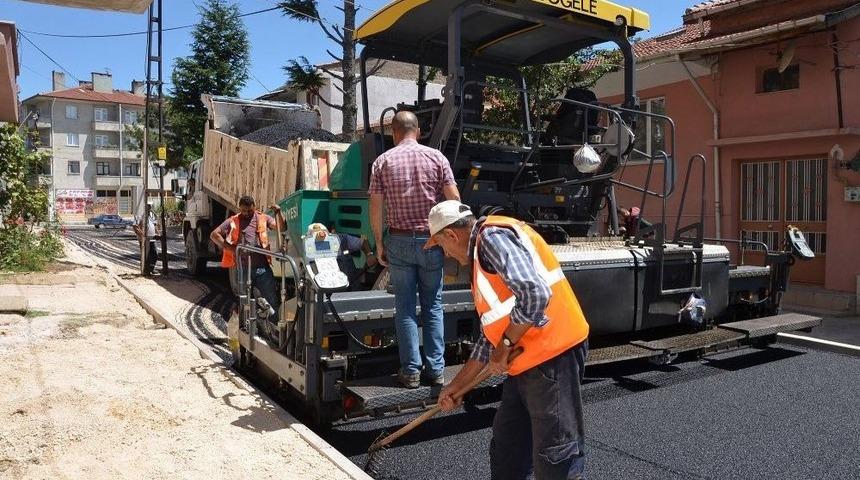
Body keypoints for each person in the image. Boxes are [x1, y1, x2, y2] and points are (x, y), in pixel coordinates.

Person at [425, 200, 590, 480]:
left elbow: (535, 294)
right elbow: (489, 336)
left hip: (552, 356)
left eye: (442, 245)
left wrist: (505, 347)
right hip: (524, 361)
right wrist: (457, 386)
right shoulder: (481, 257)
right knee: (508, 449)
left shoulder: (492, 238)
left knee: (555, 454)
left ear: (451, 235)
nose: (447, 254)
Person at [369, 110, 461, 388]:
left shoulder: (382, 161)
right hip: (431, 240)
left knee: (405, 307)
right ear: (418, 131)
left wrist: (379, 242)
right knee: (433, 305)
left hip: (398, 241)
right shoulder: (437, 158)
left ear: (394, 133)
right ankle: (435, 371)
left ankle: (410, 372)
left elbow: (375, 206)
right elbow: (455, 199)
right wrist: (450, 239)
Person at [210, 195, 285, 326]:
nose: (246, 213)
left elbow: (281, 228)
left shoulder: (263, 218)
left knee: (271, 300)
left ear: (254, 207)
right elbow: (214, 234)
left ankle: (275, 330)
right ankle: (247, 329)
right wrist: (230, 248)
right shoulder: (233, 220)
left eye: (249, 211)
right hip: (243, 269)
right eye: (243, 210)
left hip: (262, 268)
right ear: (240, 208)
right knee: (244, 301)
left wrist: (278, 212)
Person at [306, 223, 378, 289]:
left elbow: (363, 241)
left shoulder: (342, 239)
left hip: (353, 283)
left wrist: (369, 254)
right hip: (328, 289)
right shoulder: (309, 251)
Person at [133, 203, 159, 275]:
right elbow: (135, 227)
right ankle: (145, 271)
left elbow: (154, 225)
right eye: (148, 207)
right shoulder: (140, 215)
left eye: (150, 207)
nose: (149, 208)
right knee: (145, 255)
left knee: (155, 254)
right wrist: (142, 235)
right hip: (144, 240)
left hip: (152, 239)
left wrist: (158, 233)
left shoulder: (151, 215)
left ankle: (151, 269)